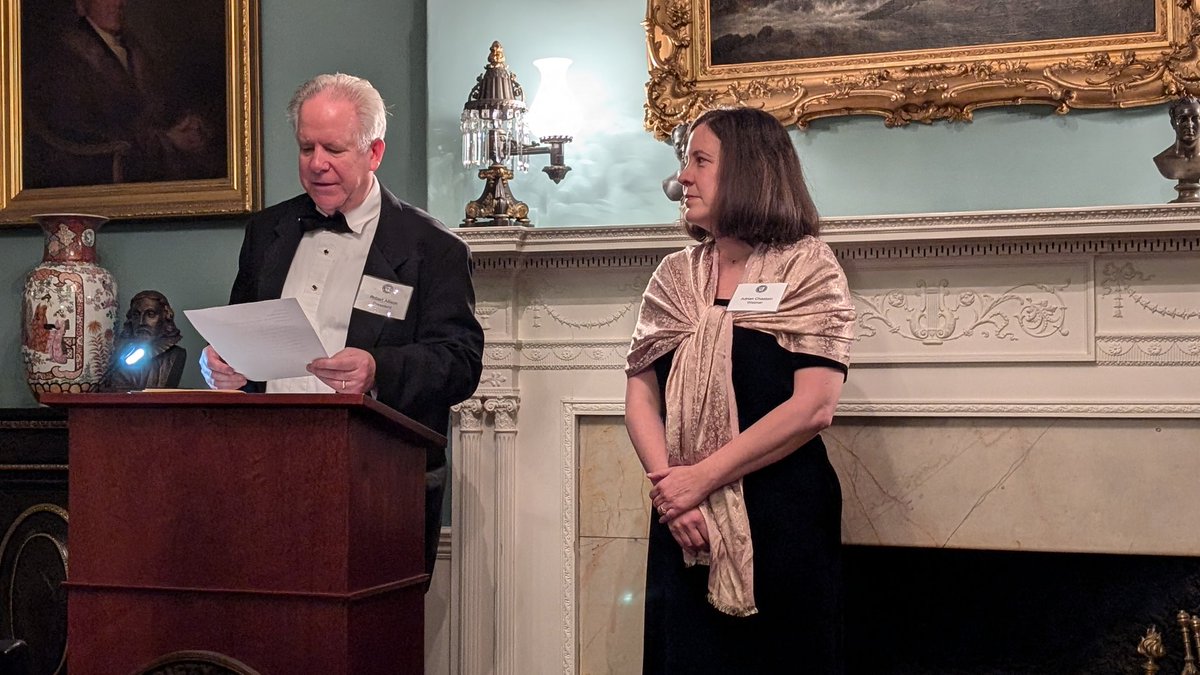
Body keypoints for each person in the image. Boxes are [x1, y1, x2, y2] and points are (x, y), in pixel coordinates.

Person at [199, 73, 484, 582]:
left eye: (334, 148)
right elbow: (241, 331)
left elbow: (460, 362)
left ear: (374, 152)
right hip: (265, 473)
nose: (316, 163)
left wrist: (378, 368)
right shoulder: (267, 232)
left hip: (377, 484)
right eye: (306, 147)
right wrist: (221, 362)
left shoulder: (432, 248)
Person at [624, 107, 856, 673]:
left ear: (749, 172)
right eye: (686, 162)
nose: (683, 177)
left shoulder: (808, 268)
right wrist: (672, 494)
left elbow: (815, 406)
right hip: (683, 519)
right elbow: (640, 393)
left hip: (781, 519)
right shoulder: (675, 274)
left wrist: (701, 478)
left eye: (700, 161)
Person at [22, 0, 223, 187]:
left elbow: (154, 104)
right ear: (82, 5)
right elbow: (85, 127)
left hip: (142, 149)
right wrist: (164, 140)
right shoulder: (67, 58)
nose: (117, 4)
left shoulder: (132, 47)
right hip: (101, 162)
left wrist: (182, 123)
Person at [103, 290, 187, 391]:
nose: (142, 322)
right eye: (136, 315)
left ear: (166, 316)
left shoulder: (175, 355)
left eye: (150, 314)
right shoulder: (121, 357)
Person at [1154, 96, 1200, 182]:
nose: (1189, 124)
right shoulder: (1163, 160)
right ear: (1173, 123)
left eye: (1195, 118)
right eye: (1183, 119)